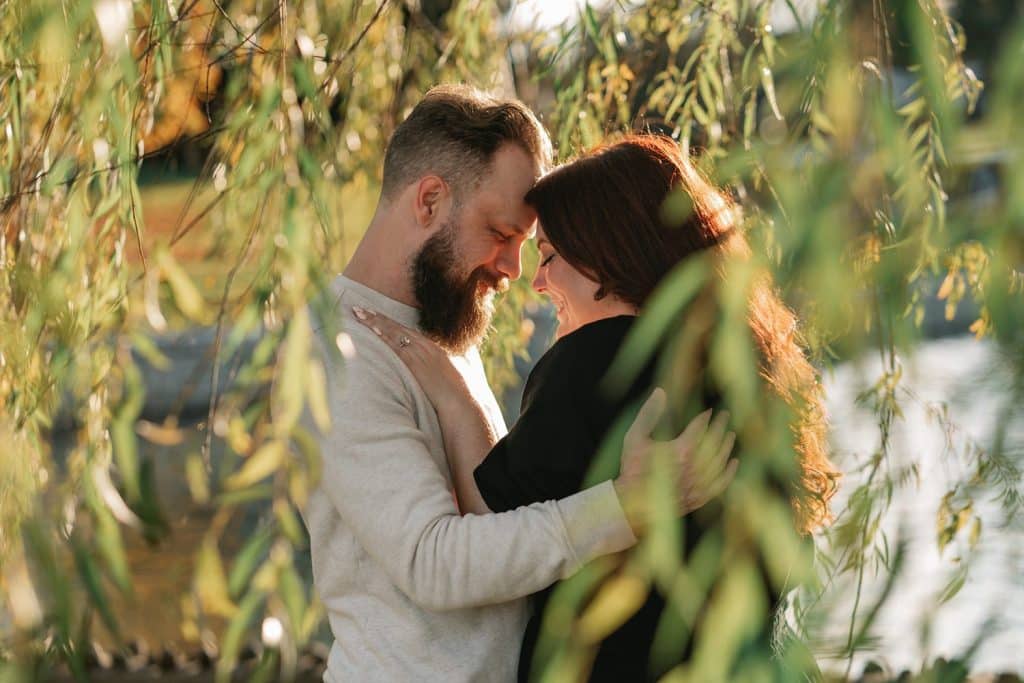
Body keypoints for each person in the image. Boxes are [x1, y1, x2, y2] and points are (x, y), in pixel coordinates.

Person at [359, 134, 841, 681]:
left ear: (605, 257)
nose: (537, 282)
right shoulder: (743, 368)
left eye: (549, 257)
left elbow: (489, 522)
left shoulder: (590, 362)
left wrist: (452, 392)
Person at [302, 87, 736, 683]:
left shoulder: (444, 326)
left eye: (528, 246)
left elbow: (507, 506)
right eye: (501, 233)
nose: (513, 269)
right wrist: (626, 506)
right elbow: (433, 560)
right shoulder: (338, 351)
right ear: (429, 200)